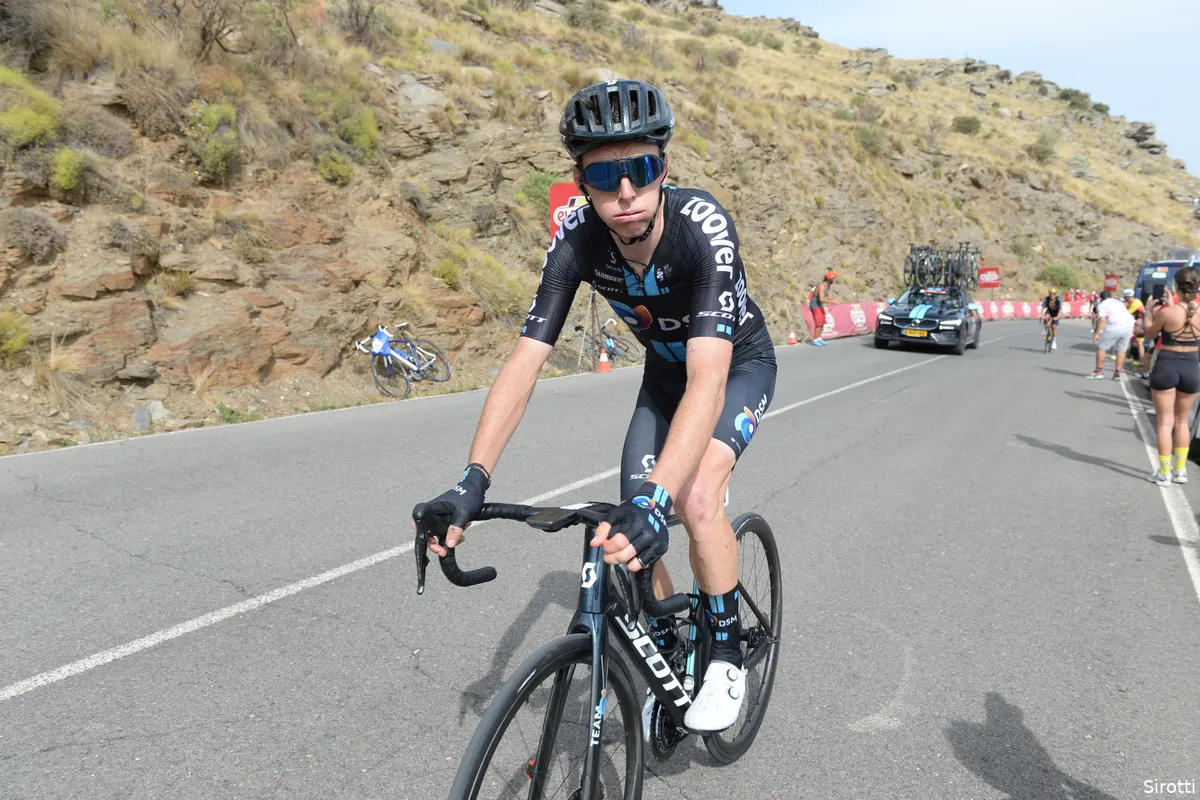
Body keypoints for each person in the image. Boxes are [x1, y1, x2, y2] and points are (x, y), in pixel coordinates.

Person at [417, 80, 777, 732]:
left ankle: (723, 643)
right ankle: (671, 646)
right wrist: (471, 481)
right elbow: (526, 361)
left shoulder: (703, 231)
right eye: (606, 177)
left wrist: (658, 498)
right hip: (664, 378)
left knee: (691, 501)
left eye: (641, 170)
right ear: (580, 180)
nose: (626, 194)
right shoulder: (577, 237)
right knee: (632, 542)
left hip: (732, 369)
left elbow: (709, 383)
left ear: (663, 167)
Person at [1142, 267, 1200, 484]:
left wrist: (1148, 312)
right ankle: (1180, 470)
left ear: (1176, 286)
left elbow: (1148, 333)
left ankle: (1164, 472)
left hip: (1167, 364)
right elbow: (1188, 316)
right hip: (1192, 367)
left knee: (1165, 422)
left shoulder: (1167, 312)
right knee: (1182, 421)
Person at [1090, 290, 1135, 379]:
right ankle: (1117, 373)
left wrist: (1097, 334)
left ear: (1101, 298)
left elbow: (1102, 320)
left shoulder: (1102, 305)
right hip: (1129, 326)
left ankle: (1098, 371)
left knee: (1102, 347)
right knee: (1121, 350)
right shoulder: (1119, 302)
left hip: (1114, 326)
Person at [807, 271, 838, 346]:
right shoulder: (821, 286)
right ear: (829, 279)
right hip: (815, 305)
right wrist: (831, 302)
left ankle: (819, 338)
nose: (834, 280)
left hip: (819, 305)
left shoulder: (828, 286)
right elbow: (821, 299)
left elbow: (829, 297)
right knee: (818, 322)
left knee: (822, 321)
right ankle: (815, 339)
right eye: (833, 278)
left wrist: (833, 300)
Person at [1123, 288, 1148, 379]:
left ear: (1129, 296)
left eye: (1126, 298)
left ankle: (1123, 355)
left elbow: (1127, 313)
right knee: (1139, 343)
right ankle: (1141, 361)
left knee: (1126, 339)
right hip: (1140, 324)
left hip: (1139, 326)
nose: (1125, 299)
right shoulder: (1134, 302)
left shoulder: (1135, 303)